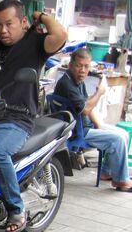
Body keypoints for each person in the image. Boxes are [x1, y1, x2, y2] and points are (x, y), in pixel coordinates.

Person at [0, 0, 66, 232]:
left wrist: (41, 16)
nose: (3, 30)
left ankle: (16, 208)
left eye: (9, 24)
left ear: (23, 22)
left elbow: (61, 34)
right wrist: (2, 15)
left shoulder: (37, 43)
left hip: (15, 118)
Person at [53, 48, 132, 191]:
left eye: (86, 66)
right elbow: (87, 109)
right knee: (118, 140)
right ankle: (121, 181)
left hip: (86, 126)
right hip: (78, 131)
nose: (82, 70)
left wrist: (99, 125)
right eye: (79, 65)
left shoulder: (78, 81)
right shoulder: (67, 83)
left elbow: (87, 105)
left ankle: (107, 172)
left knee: (124, 134)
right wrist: (100, 92)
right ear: (71, 65)